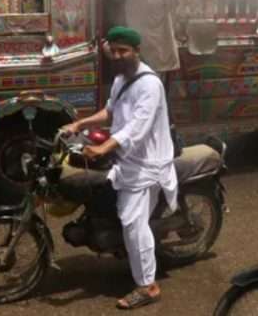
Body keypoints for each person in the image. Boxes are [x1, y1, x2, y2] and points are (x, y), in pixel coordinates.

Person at [62, 26, 178, 310]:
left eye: (123, 51)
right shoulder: (121, 79)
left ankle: (148, 285)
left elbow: (138, 127)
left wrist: (103, 147)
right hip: (127, 159)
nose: (117, 55)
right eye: (114, 51)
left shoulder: (150, 84)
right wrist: (80, 124)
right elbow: (111, 111)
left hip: (147, 163)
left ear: (137, 51)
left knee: (133, 223)